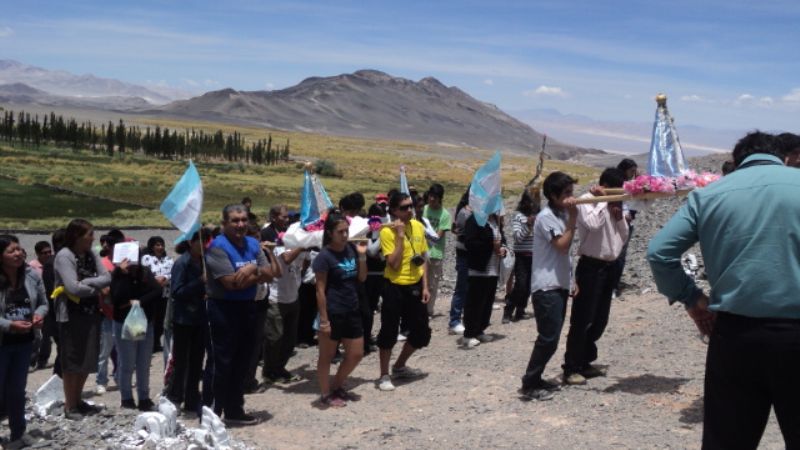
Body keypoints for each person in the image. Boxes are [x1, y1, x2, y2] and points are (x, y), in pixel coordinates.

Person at [647, 131, 800, 449]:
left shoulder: (708, 195)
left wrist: (693, 298)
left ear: (738, 161)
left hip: (734, 335)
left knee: (728, 440)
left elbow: (659, 253)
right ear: (784, 158)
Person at [205, 204, 275, 426]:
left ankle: (235, 409)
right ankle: (213, 413)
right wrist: (256, 271)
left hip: (248, 308)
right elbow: (231, 283)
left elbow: (270, 274)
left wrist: (250, 270)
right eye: (235, 220)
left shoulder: (253, 244)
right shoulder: (217, 247)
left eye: (244, 220)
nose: (241, 225)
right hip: (223, 309)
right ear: (224, 223)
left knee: (242, 361)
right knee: (221, 362)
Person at [562, 168, 629, 385]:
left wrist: (618, 217)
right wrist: (602, 202)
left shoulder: (615, 203)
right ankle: (571, 366)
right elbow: (592, 224)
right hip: (591, 266)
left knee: (600, 318)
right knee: (583, 318)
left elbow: (624, 234)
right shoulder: (586, 201)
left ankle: (585, 361)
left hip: (609, 266)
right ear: (604, 186)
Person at [519, 172, 578, 401]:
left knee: (552, 337)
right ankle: (530, 382)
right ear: (553, 196)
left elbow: (568, 254)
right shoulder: (546, 217)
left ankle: (536, 377)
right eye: (566, 194)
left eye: (571, 193)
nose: (570, 198)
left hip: (559, 283)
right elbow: (562, 245)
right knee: (548, 338)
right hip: (546, 286)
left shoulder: (562, 213)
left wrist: (572, 280)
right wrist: (573, 219)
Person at [53, 219, 112, 419]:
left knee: (86, 358)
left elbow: (106, 277)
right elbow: (72, 287)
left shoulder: (91, 253)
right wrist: (96, 289)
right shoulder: (64, 256)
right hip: (70, 314)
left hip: (90, 311)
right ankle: (70, 405)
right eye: (89, 234)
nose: (92, 238)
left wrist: (86, 281)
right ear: (77, 236)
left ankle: (78, 400)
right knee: (72, 360)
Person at [376, 192, 431, 392]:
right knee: (389, 331)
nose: (409, 210)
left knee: (422, 332)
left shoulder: (418, 226)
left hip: (415, 286)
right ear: (394, 211)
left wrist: (425, 286)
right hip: (394, 286)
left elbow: (423, 258)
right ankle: (383, 374)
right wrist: (399, 236)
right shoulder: (387, 232)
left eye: (411, 206)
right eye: (404, 207)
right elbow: (394, 263)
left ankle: (399, 365)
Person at [313, 211, 368, 407]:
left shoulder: (352, 249)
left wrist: (362, 256)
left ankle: (337, 385)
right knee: (326, 356)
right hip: (332, 312)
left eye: (346, 231)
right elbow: (320, 291)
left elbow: (361, 278)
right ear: (330, 233)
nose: (344, 235)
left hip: (351, 309)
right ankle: (325, 393)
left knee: (356, 353)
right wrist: (324, 319)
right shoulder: (324, 257)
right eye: (340, 232)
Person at [0, 235, 48, 446]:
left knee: (17, 390)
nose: (18, 254)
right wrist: (9, 325)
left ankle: (18, 432)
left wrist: (39, 315)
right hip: (2, 342)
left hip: (25, 342)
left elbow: (44, 303)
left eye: (19, 249)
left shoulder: (31, 274)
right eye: (11, 251)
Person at [110, 253, 162, 411]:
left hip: (144, 322)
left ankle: (144, 397)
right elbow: (117, 299)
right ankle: (126, 397)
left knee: (143, 362)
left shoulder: (145, 272)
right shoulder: (117, 275)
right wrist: (122, 275)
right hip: (124, 323)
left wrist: (139, 301)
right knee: (126, 363)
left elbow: (157, 290)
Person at [167, 229, 208, 416]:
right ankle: (175, 396)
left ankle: (192, 398)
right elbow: (177, 292)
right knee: (181, 360)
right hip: (184, 319)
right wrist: (199, 282)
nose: (203, 245)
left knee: (197, 361)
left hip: (200, 317)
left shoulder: (204, 261)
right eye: (200, 241)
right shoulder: (182, 263)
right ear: (191, 243)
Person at [262, 236, 304, 384]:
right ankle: (269, 371)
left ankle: (280, 368)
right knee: (275, 338)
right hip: (277, 299)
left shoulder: (301, 247)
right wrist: (302, 245)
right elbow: (286, 259)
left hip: (293, 297)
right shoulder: (279, 244)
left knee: (290, 339)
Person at [461, 212, 506, 348]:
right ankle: (468, 334)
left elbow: (501, 239)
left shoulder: (495, 221)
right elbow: (470, 242)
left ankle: (480, 329)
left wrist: (503, 249)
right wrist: (491, 245)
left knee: (487, 301)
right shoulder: (474, 219)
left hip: (493, 268)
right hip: (478, 268)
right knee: (474, 301)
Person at [503, 189, 540, 323]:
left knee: (529, 286)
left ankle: (520, 310)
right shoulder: (518, 216)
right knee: (521, 285)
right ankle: (508, 308)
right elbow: (518, 238)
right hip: (521, 255)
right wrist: (528, 225)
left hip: (535, 256)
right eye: (531, 201)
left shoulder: (539, 216)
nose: (533, 204)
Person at [141, 236, 174, 365]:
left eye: (162, 245)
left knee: (161, 320)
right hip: (151, 295)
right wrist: (155, 281)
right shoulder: (146, 259)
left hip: (165, 294)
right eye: (157, 245)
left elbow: (173, 273)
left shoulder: (169, 260)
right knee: (151, 319)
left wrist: (165, 277)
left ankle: (156, 342)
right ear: (152, 246)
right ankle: (149, 344)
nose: (160, 247)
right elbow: (144, 273)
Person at [422, 184, 450, 318]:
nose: (431, 199)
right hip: (421, 251)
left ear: (440, 198)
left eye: (435, 197)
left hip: (435, 253)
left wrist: (423, 234)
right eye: (430, 196)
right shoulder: (423, 210)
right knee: (420, 281)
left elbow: (438, 236)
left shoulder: (445, 215)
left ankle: (428, 310)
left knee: (432, 283)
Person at [611, 158, 638, 297]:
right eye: (631, 171)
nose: (633, 174)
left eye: (634, 172)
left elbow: (635, 204)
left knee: (620, 256)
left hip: (627, 224)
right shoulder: (615, 184)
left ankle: (614, 286)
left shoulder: (633, 185)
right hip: (614, 223)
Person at [448, 188, 471, 335]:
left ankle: (467, 317)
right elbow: (463, 234)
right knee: (462, 287)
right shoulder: (464, 212)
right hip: (464, 253)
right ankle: (454, 320)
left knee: (471, 288)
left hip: (474, 254)